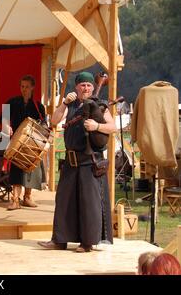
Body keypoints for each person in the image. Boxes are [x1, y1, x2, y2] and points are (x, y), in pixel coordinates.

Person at [38, 71, 116, 252]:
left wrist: (97, 126)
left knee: (88, 203)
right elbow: (55, 121)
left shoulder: (99, 105)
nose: (86, 88)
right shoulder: (70, 104)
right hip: (71, 162)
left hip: (90, 162)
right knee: (64, 201)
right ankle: (59, 240)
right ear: (77, 87)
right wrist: (64, 103)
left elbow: (112, 127)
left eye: (89, 85)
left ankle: (87, 243)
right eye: (82, 85)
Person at [1, 75, 46, 210]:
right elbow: (4, 118)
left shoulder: (38, 106)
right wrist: (6, 126)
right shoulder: (12, 102)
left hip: (33, 143)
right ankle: (15, 200)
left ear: (32, 87)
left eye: (27, 86)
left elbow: (43, 124)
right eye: (22, 86)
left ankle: (27, 198)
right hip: (17, 142)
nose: (24, 89)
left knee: (31, 170)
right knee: (16, 171)